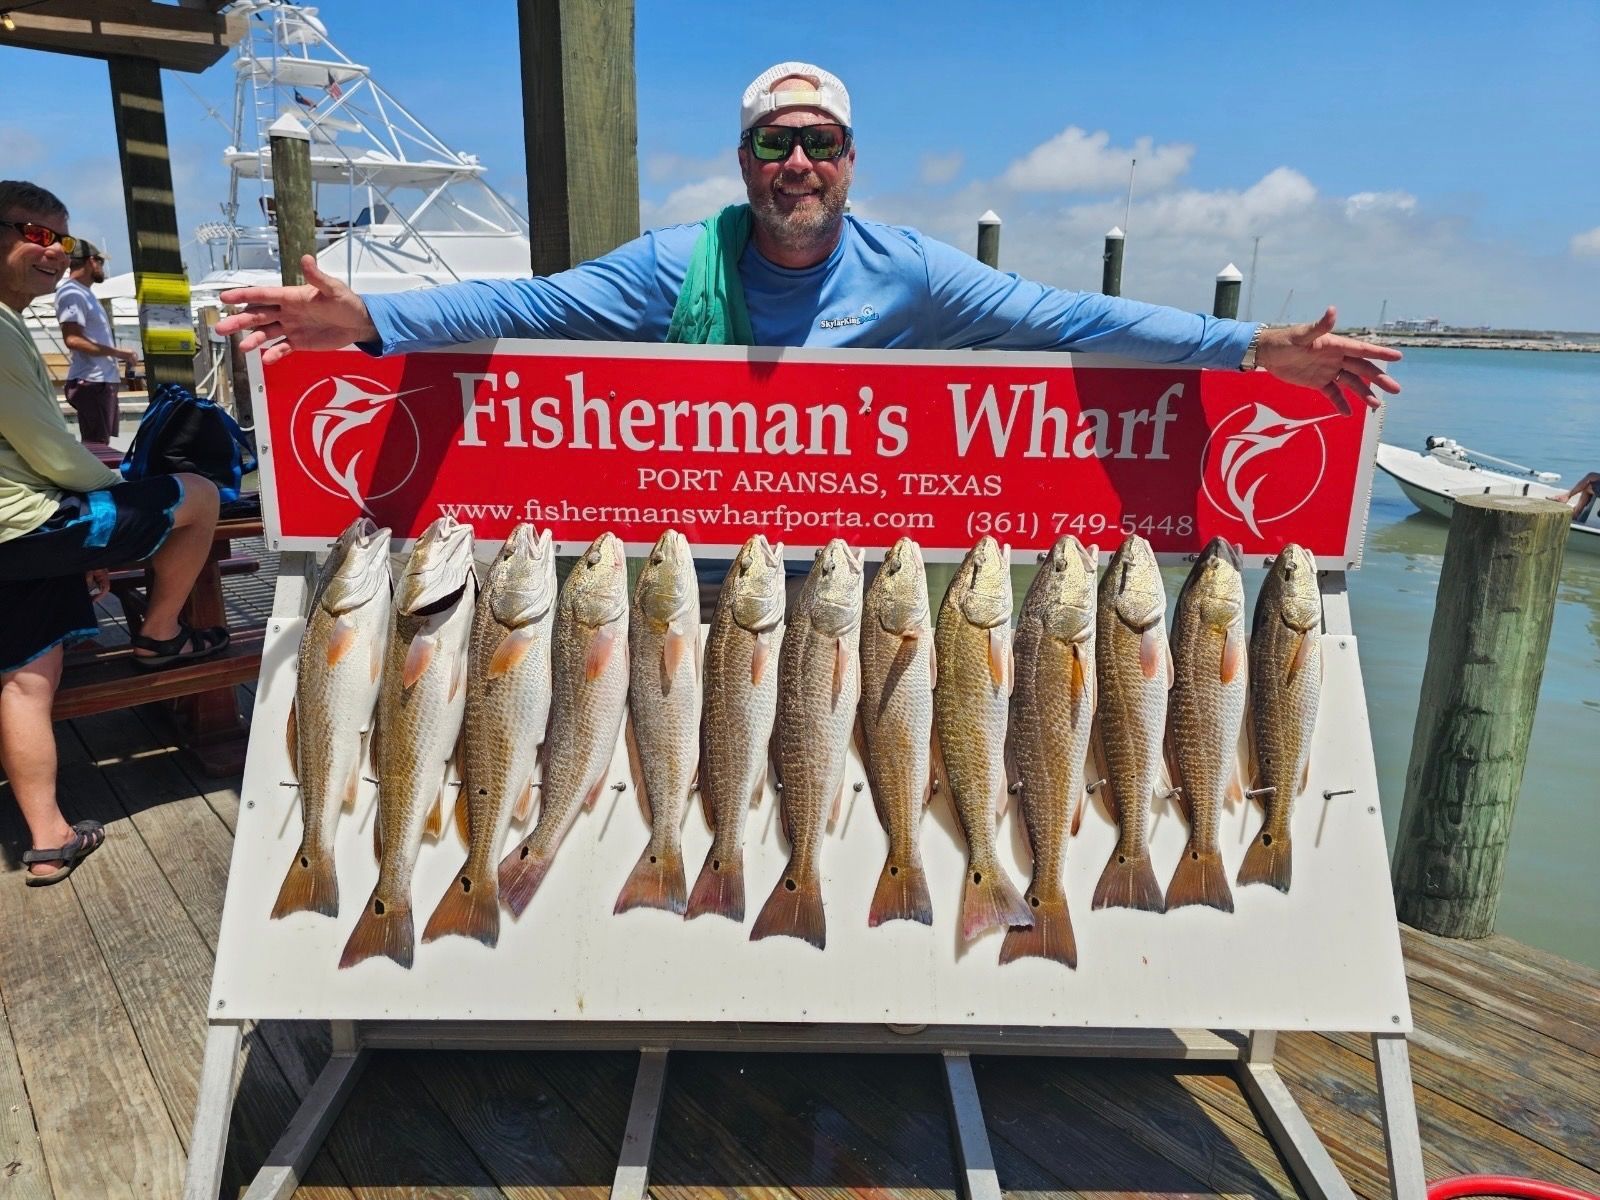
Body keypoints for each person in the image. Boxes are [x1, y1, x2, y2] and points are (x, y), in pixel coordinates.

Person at [217, 61, 1402, 410]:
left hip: (852, 576)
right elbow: (524, 306)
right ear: (744, 166)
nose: (799, 163)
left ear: (849, 164)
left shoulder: (913, 270)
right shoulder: (676, 264)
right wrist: (368, 320)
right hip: (691, 572)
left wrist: (1251, 352)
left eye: (821, 145)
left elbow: (1074, 318)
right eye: (777, 144)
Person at [0, 180, 229, 886]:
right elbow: (49, 452)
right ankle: (160, 635)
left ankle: (49, 839)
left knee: (25, 677)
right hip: (29, 525)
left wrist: (94, 541)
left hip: (19, 537)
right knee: (196, 496)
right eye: (34, 233)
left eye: (60, 239)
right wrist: (117, 500)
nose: (53, 251)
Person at [55, 240, 137, 444]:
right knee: (96, 444)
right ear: (91, 261)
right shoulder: (72, 293)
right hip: (92, 382)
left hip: (98, 382)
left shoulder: (83, 293)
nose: (103, 267)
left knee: (99, 442)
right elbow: (73, 339)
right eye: (101, 261)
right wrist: (119, 353)